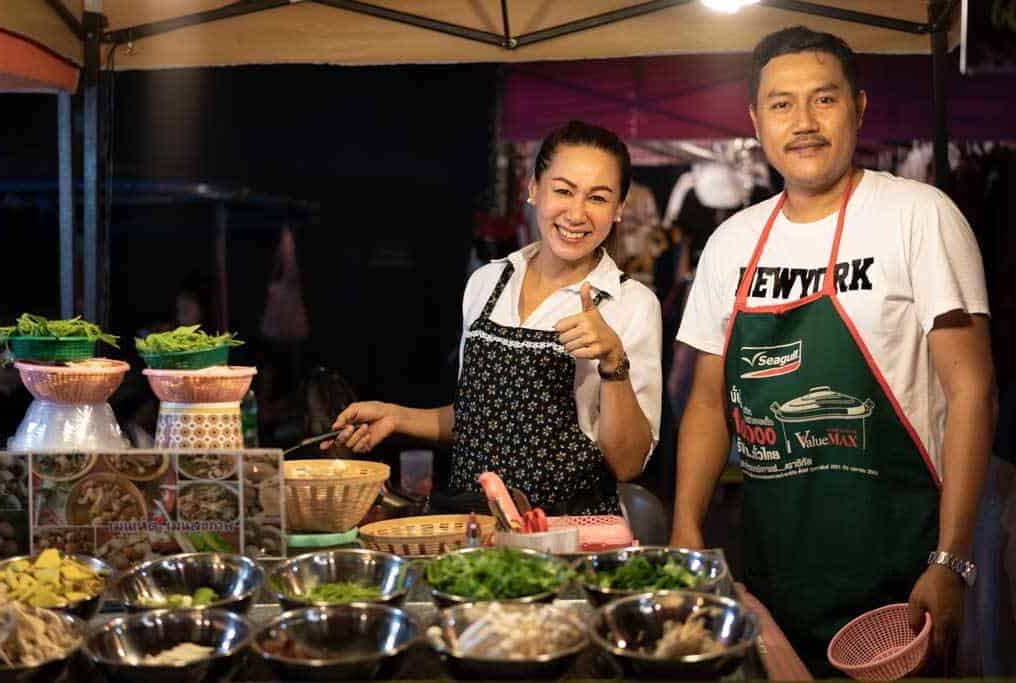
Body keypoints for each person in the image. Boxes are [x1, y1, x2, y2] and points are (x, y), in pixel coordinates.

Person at [668, 26, 997, 676]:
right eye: (782, 104)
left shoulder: (918, 215)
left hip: (902, 575)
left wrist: (951, 558)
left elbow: (973, 391)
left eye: (824, 99)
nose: (805, 122)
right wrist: (684, 528)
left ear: (860, 108)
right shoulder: (732, 243)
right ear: (756, 121)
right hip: (773, 572)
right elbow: (707, 404)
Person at [328, 120, 662, 515]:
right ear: (534, 190)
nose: (576, 213)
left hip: (568, 536)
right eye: (563, 191)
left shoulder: (630, 303)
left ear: (619, 209)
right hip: (472, 526)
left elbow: (627, 464)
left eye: (598, 198)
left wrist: (613, 363)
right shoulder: (486, 283)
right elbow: (481, 416)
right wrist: (397, 416)